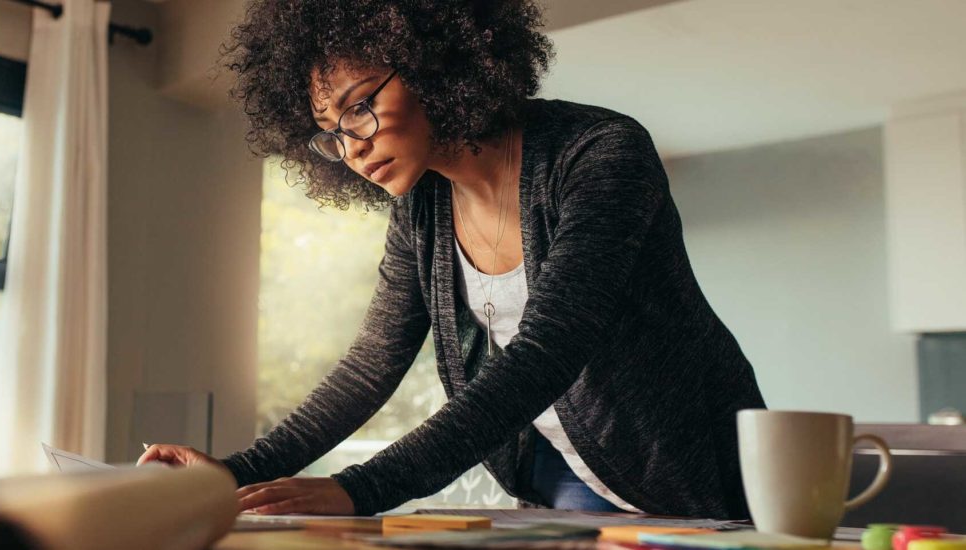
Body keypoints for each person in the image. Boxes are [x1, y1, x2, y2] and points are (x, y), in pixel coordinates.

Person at [139, 0, 765, 519]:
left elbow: (547, 352)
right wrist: (231, 472)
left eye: (360, 106)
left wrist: (363, 489)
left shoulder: (600, 154)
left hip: (691, 479)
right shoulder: (422, 209)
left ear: (434, 62)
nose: (351, 147)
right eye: (332, 130)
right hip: (558, 486)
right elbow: (369, 367)